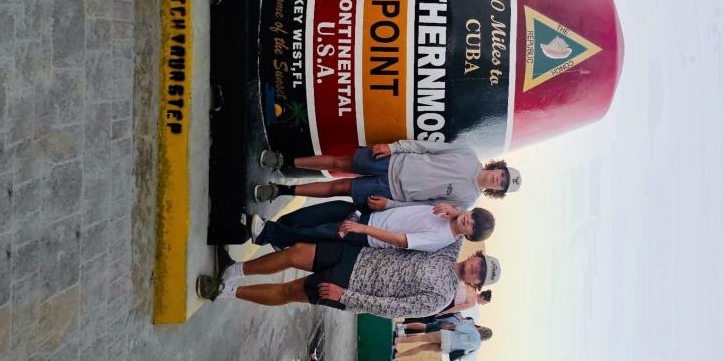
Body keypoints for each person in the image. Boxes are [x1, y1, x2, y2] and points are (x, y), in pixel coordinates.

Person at [195, 238, 503, 319]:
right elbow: (463, 220)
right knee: (296, 252)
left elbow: (390, 309)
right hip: (356, 255)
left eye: (481, 275)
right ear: (475, 256)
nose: (476, 269)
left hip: (348, 286)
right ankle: (234, 270)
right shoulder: (447, 250)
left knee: (289, 291)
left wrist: (345, 296)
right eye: (480, 264)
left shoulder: (441, 298)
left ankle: (223, 291)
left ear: (475, 285)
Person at [254, 141, 522, 209]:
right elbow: (424, 147)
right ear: (499, 167)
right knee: (338, 162)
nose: (499, 179)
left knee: (338, 188)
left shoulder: (467, 202)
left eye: (503, 184)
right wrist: (393, 148)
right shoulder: (467, 153)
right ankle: (281, 161)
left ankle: (280, 190)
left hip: (391, 192)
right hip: (392, 161)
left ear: (497, 191)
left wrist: (391, 205)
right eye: (503, 175)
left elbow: (425, 207)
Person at [246, 199, 495, 250]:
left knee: (318, 232)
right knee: (320, 212)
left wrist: (362, 229)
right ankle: (278, 234)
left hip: (367, 234)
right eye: (472, 216)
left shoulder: (441, 238)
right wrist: (456, 211)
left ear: (469, 236)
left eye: (472, 227)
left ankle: (266, 234)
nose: (468, 220)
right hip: (371, 213)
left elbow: (401, 241)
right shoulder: (451, 212)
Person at [395, 320, 492, 359]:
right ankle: (397, 355)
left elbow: (458, 327)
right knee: (422, 348)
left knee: (420, 338)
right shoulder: (477, 347)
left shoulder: (474, 331)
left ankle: (398, 341)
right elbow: (463, 356)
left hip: (446, 336)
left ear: (483, 329)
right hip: (447, 348)